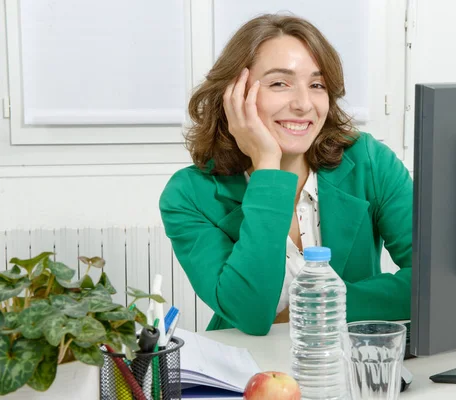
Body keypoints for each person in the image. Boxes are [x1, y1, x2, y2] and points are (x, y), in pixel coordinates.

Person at [159, 14, 412, 336]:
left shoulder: (368, 161)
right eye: (280, 83)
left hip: (348, 359)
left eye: (317, 85)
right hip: (250, 366)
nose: (304, 104)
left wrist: (317, 306)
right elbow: (251, 313)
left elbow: (434, 280)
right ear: (233, 94)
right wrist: (267, 164)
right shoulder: (189, 194)